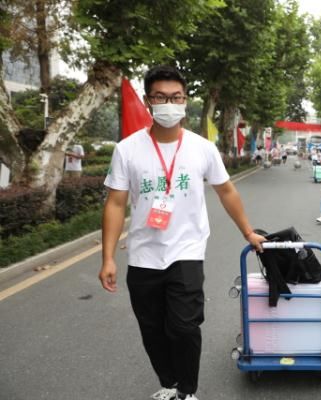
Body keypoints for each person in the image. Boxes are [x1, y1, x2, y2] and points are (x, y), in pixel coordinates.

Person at [99, 65, 265, 400]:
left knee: (184, 327)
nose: (168, 104)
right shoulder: (127, 150)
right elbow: (116, 203)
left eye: (176, 97)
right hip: (144, 253)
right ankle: (170, 383)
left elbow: (226, 191)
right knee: (152, 329)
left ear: (186, 101)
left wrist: (248, 232)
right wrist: (107, 258)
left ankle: (188, 391)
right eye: (160, 97)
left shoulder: (201, 148)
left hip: (187, 251)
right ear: (148, 101)